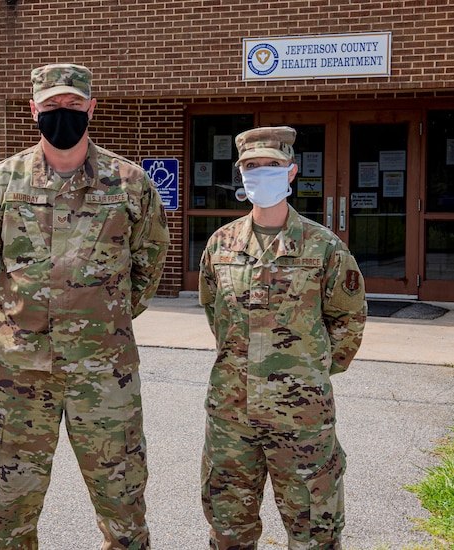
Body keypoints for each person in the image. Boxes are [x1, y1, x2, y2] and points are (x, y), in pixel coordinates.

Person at [0, 63, 170, 550]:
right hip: (21, 375)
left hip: (104, 372)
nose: (63, 113)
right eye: (52, 105)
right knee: (12, 507)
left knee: (123, 503)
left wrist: (104, 318)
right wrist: (20, 318)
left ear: (92, 108)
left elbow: (149, 263)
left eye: (73, 105)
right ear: (34, 111)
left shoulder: (130, 183)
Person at [198, 126, 367, 549]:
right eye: (251, 166)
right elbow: (214, 312)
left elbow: (349, 321)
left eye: (271, 165)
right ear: (240, 174)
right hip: (232, 417)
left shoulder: (324, 247)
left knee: (314, 532)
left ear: (291, 173)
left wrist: (308, 372)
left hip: (302, 419)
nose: (261, 173)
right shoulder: (220, 245)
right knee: (228, 531)